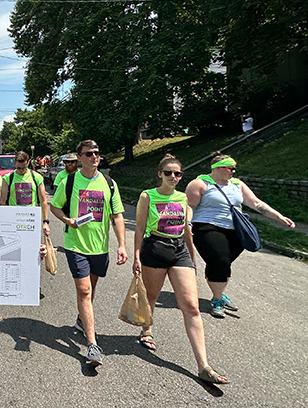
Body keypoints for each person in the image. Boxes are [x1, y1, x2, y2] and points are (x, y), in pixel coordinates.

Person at [133, 155, 230, 385]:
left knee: (192, 307)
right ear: (160, 174)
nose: (173, 177)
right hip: (155, 248)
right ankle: (146, 330)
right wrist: (136, 256)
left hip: (179, 251)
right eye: (168, 173)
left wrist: (192, 258)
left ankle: (203, 366)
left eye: (177, 174)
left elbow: (187, 231)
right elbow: (138, 228)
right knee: (152, 297)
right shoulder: (148, 196)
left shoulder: (182, 197)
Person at [186, 153, 295, 318]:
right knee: (220, 260)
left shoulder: (237, 184)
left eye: (234, 168)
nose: (233, 171)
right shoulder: (199, 184)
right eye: (230, 168)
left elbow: (257, 203)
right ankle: (217, 300)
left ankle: (219, 293)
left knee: (221, 264)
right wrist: (187, 224)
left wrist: (278, 217)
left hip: (235, 230)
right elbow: (189, 206)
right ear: (218, 168)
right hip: (207, 227)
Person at [50, 140, 128, 367]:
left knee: (91, 289)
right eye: (89, 153)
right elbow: (55, 206)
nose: (94, 156)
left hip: (100, 247)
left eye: (97, 152)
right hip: (76, 245)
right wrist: (67, 220)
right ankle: (92, 345)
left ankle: (81, 320)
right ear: (80, 157)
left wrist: (122, 245)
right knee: (84, 291)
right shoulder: (69, 181)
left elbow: (117, 216)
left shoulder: (109, 183)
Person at [0, 151, 51, 239]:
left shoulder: (36, 177)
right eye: (18, 168)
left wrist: (45, 222)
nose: (21, 171)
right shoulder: (8, 178)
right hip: (14, 220)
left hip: (31, 220)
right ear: (15, 163)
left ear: (28, 162)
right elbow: (2, 202)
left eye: (24, 168)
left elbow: (43, 201)